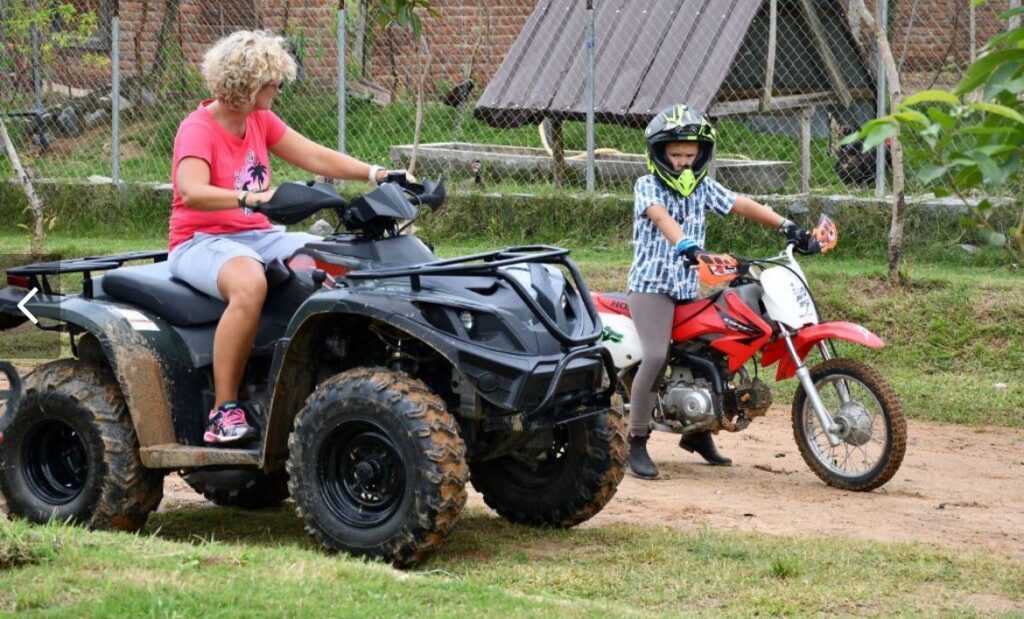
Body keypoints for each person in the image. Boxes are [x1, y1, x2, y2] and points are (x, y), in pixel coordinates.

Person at [169, 30, 409, 446]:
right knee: (249, 283)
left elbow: (313, 154)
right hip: (200, 239)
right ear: (247, 83)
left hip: (257, 235)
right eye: (272, 80)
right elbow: (191, 190)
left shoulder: (259, 120)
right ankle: (223, 410)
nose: (278, 87)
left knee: (336, 262)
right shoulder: (198, 129)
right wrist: (250, 196)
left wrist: (377, 173)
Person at [626, 104, 820, 479]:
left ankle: (698, 434)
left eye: (690, 154)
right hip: (651, 290)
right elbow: (663, 219)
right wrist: (688, 248)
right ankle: (636, 440)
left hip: (687, 289)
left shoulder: (703, 187)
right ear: (660, 153)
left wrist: (788, 227)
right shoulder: (647, 186)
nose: (683, 162)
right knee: (655, 355)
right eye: (676, 154)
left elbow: (741, 204)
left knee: (714, 357)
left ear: (701, 155)